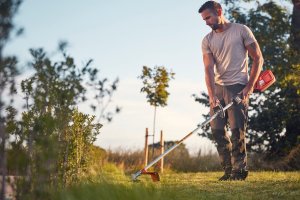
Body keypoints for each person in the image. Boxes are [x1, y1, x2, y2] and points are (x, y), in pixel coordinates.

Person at [198, 1, 264, 181]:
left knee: (237, 131)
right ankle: (228, 171)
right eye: (204, 20)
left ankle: (239, 171)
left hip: (238, 86)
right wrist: (212, 96)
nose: (206, 22)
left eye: (208, 17)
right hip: (218, 88)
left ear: (219, 11)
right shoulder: (207, 40)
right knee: (217, 131)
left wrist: (249, 88)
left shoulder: (241, 30)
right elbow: (208, 69)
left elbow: (258, 58)